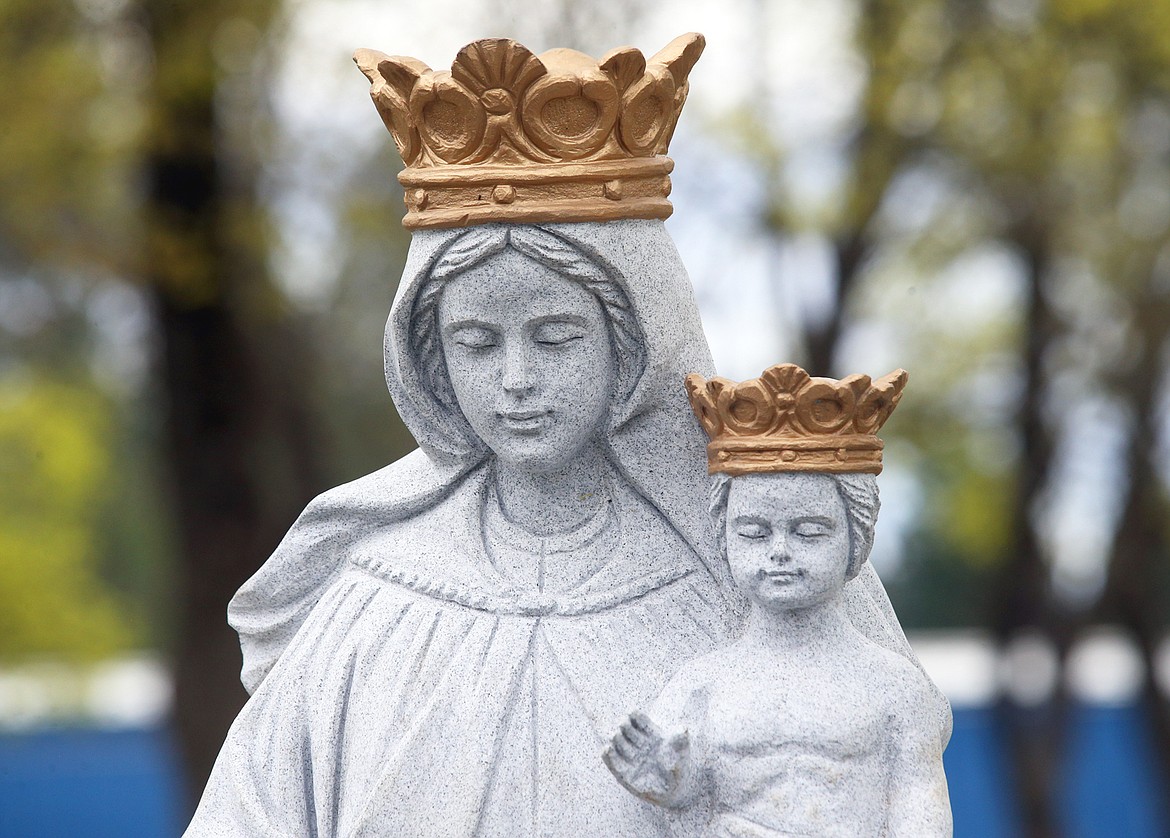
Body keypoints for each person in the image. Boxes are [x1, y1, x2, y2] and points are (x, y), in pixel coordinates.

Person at [185, 221, 744, 838]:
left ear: (633, 346)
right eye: (476, 344)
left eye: (557, 338)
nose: (516, 380)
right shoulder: (371, 600)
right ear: (433, 363)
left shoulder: (736, 592)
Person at [604, 367, 952, 837]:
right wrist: (674, 789)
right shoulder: (700, 686)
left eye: (808, 531)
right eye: (753, 532)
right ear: (724, 538)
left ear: (858, 538)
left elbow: (919, 809)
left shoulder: (894, 689)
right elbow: (668, 800)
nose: (779, 551)